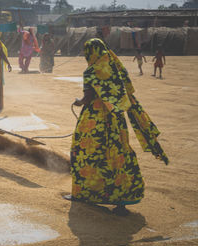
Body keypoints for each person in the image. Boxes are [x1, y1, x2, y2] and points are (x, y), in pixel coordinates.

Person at [65, 38, 168, 215]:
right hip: (115, 120)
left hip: (94, 121)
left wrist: (78, 102)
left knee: (84, 152)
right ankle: (121, 200)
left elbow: (87, 98)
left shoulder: (90, 71)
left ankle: (82, 193)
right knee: (118, 154)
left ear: (91, 52)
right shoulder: (115, 69)